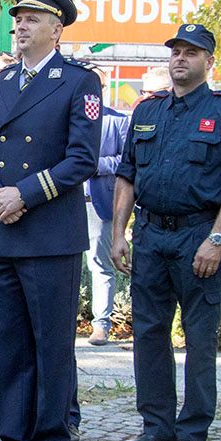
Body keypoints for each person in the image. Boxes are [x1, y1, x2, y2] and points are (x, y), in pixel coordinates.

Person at [0, 0, 101, 441]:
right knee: (8, 344)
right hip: (2, 232)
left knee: (50, 346)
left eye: (31, 19)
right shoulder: (2, 82)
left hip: (48, 235)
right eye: (18, 18)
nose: (20, 26)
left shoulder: (78, 82)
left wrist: (22, 194)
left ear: (56, 29)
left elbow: (81, 159)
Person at [112, 24, 221, 441]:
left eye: (191, 52)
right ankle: (157, 427)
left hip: (199, 235)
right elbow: (127, 174)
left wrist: (217, 238)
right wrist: (118, 233)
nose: (180, 58)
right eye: (176, 51)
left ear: (209, 62)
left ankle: (192, 432)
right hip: (151, 235)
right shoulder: (147, 110)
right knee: (148, 334)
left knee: (199, 338)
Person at [85, 68, 131, 346]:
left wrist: (94, 165)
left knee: (99, 264)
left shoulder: (117, 121)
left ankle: (101, 324)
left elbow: (126, 162)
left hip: (99, 202)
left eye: (98, 85)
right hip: (65, 202)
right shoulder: (63, 117)